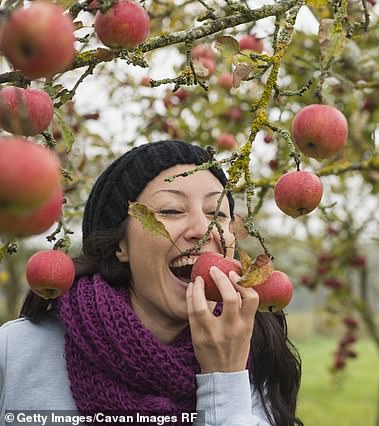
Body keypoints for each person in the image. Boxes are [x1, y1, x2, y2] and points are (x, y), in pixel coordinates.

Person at [0, 140, 303, 426]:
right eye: (171, 210)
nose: (203, 229)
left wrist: (225, 377)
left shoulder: (255, 357)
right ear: (121, 245)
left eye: (217, 213)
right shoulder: (18, 353)